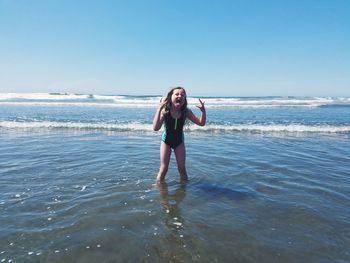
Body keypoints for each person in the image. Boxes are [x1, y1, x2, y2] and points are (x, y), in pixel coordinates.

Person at [153, 87, 206, 182]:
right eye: (177, 94)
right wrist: (159, 109)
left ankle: (184, 190)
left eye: (182, 95)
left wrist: (203, 111)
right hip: (166, 141)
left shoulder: (186, 112)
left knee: (182, 169)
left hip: (179, 142)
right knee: (163, 168)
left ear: (184, 99)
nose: (179, 96)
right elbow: (155, 128)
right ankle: (159, 188)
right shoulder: (165, 111)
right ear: (170, 97)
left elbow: (201, 123)